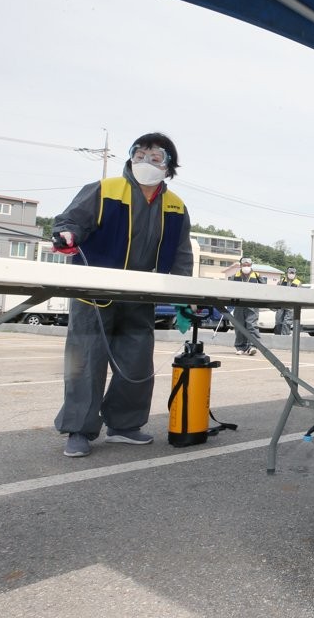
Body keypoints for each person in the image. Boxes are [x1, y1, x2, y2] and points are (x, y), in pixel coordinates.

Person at [52, 132, 194, 458]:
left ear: (169, 166)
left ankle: (125, 425)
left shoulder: (175, 206)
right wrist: (66, 234)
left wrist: (185, 296)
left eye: (155, 157)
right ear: (131, 157)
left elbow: (181, 256)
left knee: (137, 362)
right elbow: (71, 221)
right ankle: (78, 429)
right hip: (93, 293)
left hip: (140, 297)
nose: (146, 161)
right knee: (86, 362)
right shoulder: (105, 190)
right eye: (140, 154)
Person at [231, 256, 263, 355]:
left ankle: (253, 346)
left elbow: (264, 289)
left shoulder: (257, 276)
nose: (246, 266)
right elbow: (229, 289)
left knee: (251, 325)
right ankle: (241, 347)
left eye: (248, 264)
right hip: (239, 304)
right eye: (244, 264)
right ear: (240, 265)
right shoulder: (234, 276)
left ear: (251, 265)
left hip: (252, 304)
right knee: (239, 325)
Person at [274, 265, 302, 335]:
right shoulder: (281, 281)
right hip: (281, 305)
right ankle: (277, 338)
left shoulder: (298, 283)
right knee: (278, 322)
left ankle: (285, 339)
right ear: (287, 272)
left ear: (295, 273)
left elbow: (300, 295)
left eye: (293, 273)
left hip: (291, 306)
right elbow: (276, 292)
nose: (291, 274)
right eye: (290, 272)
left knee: (287, 323)